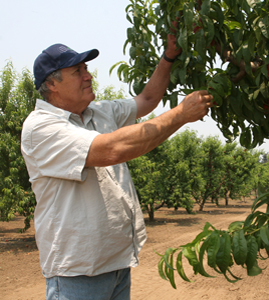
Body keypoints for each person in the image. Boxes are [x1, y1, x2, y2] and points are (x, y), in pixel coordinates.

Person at [21, 32, 213, 300]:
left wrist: (168, 57)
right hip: (77, 274)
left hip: (117, 266)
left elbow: (147, 100)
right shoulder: (41, 126)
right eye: (78, 71)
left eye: (86, 68)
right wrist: (180, 115)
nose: (88, 75)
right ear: (52, 84)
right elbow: (111, 150)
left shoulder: (99, 111)